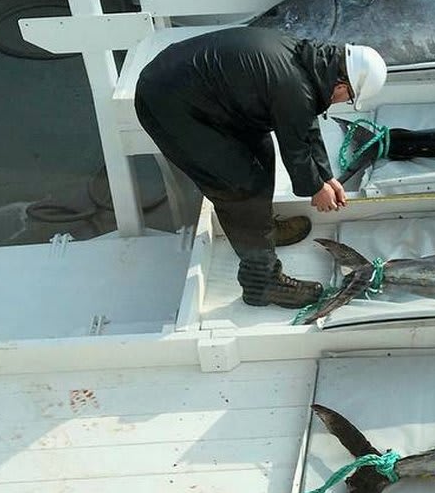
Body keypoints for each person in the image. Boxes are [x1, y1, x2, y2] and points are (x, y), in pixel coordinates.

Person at [135, 27, 387, 309]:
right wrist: (316, 189)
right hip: (168, 105)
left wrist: (326, 177)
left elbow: (305, 124)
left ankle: (262, 230)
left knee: (261, 152)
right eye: (348, 98)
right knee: (240, 187)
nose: (344, 102)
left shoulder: (308, 64)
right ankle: (263, 283)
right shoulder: (295, 86)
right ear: (342, 86)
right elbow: (295, 148)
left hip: (197, 92)